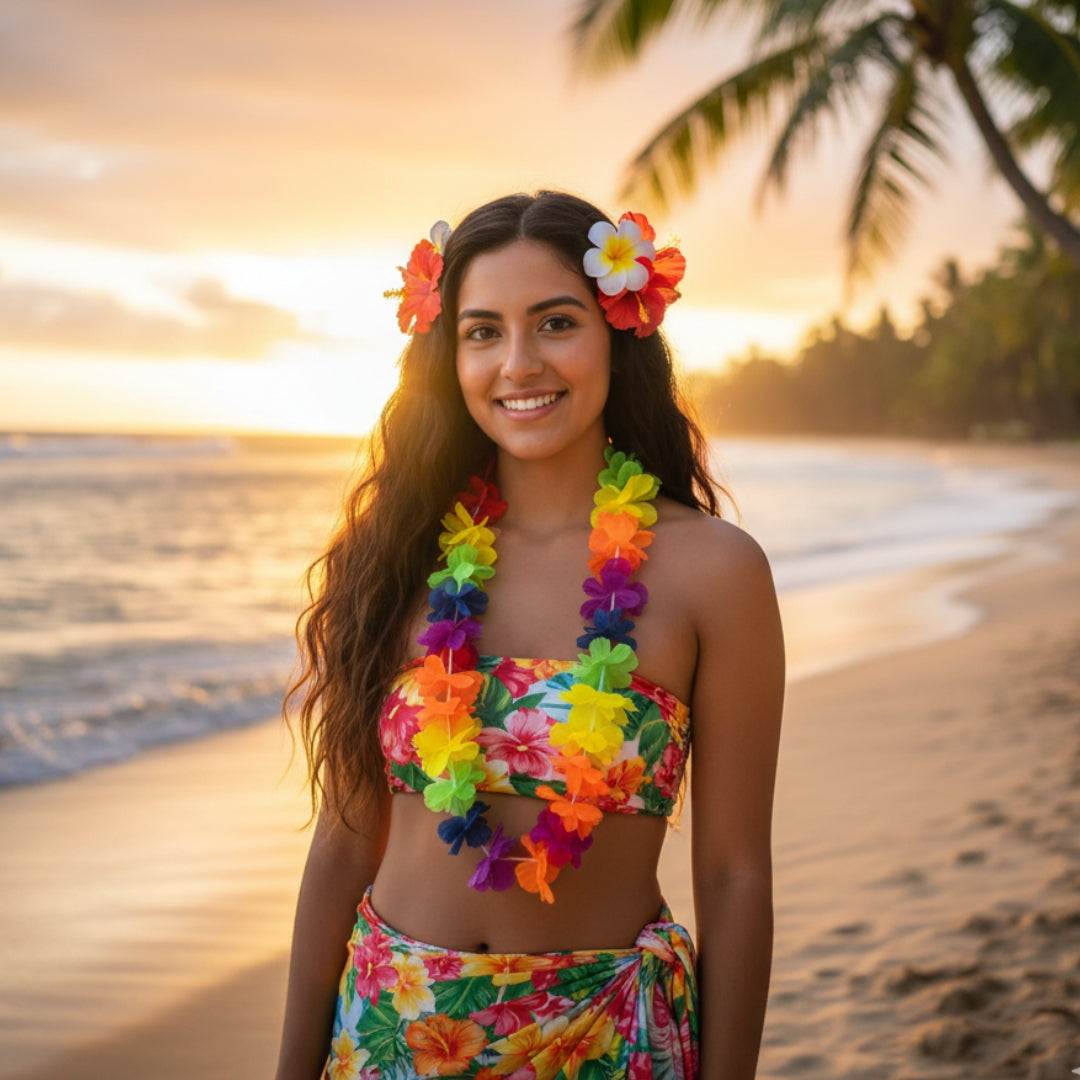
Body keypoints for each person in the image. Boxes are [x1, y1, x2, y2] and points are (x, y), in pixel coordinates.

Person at [274, 190, 784, 1080]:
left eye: (555, 323)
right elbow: (345, 842)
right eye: (483, 331)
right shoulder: (400, 557)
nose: (518, 363)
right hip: (391, 1031)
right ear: (449, 354)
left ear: (618, 332)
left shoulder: (715, 571)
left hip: (607, 1038)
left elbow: (735, 875)